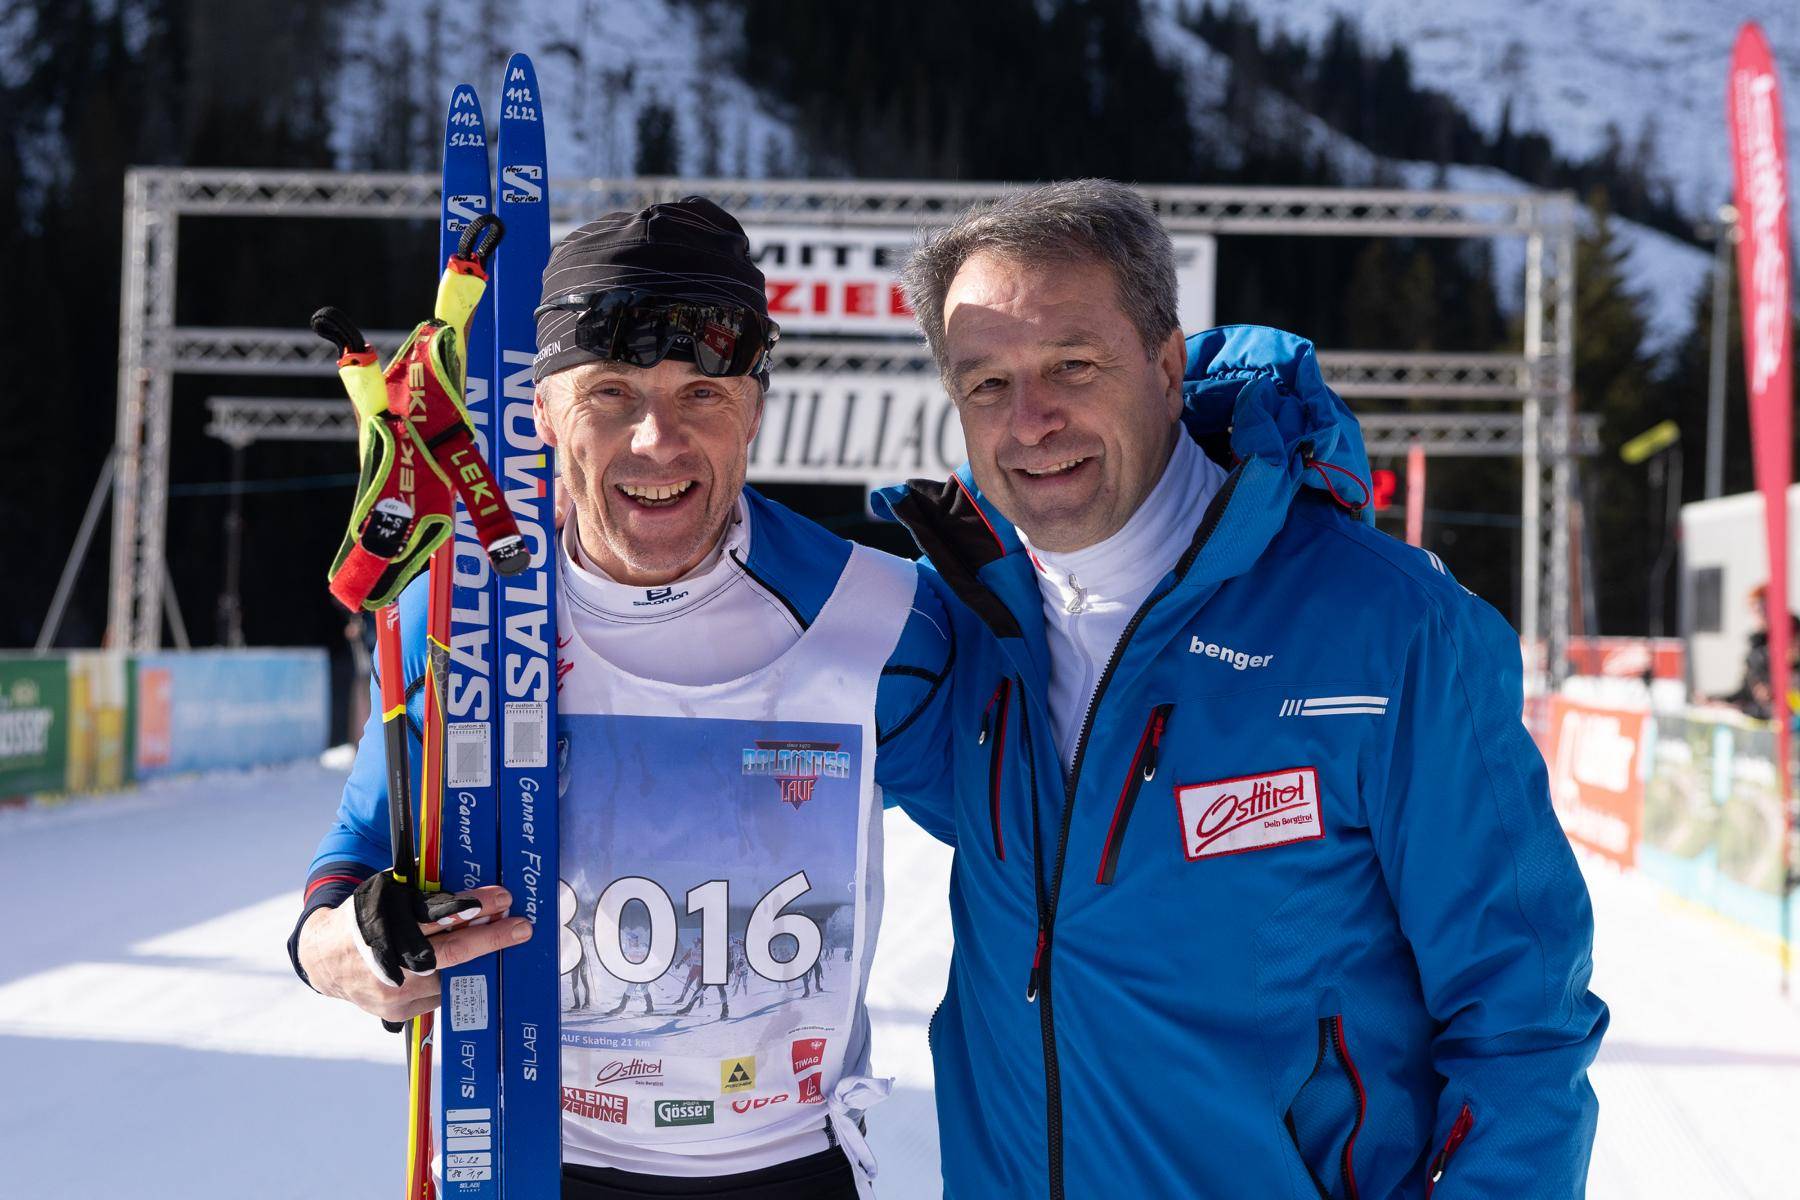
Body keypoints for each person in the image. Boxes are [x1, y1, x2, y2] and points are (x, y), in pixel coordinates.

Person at [874, 179, 1609, 1198]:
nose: (1030, 420)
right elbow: (733, 654)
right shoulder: (951, 625)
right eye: (986, 383)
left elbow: (1522, 1024)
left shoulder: (1389, 630)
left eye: (1072, 367)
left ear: (1168, 367)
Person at [289, 196, 954, 1200]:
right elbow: (344, 883)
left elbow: (1044, 847)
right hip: (538, 1161)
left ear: (757, 406)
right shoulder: (453, 612)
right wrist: (357, 950)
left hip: (784, 1167)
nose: (658, 441)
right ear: (544, 410)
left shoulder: (880, 612)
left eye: (703, 394)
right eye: (610, 394)